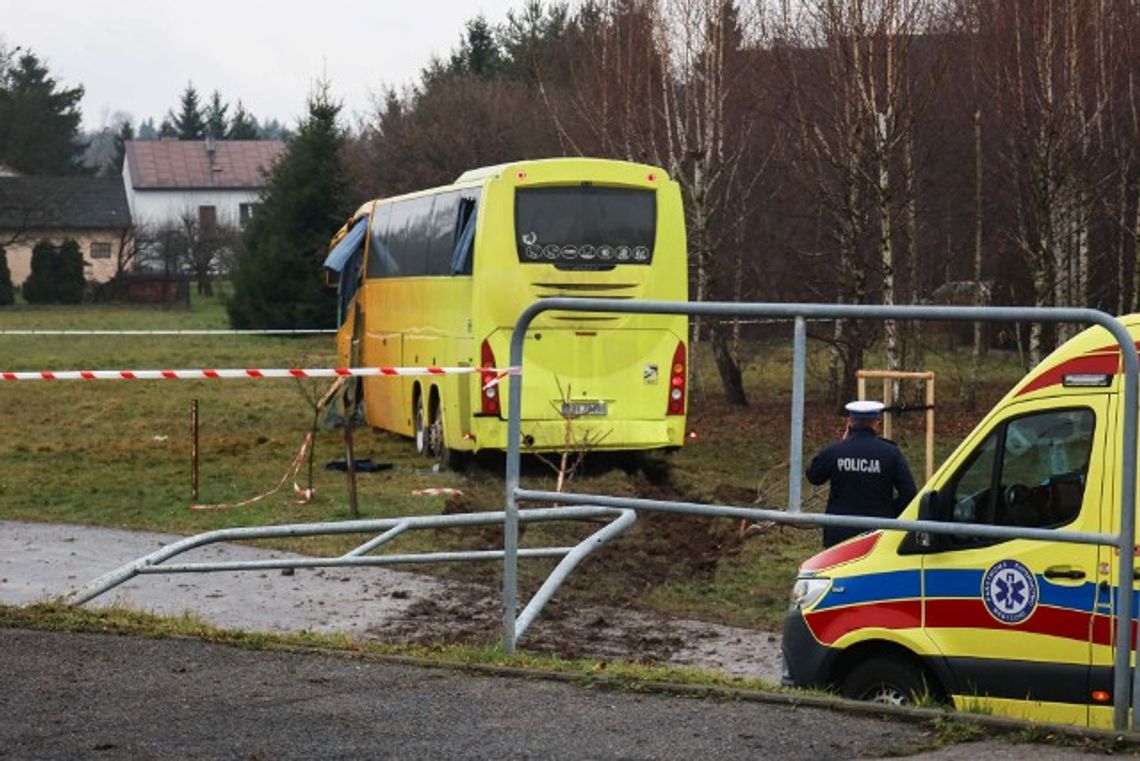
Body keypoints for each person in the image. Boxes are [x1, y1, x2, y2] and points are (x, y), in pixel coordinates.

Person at [806, 400, 918, 548]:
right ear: (876, 423)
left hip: (839, 532)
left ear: (850, 421)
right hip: (878, 532)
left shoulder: (836, 451)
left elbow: (814, 476)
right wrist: (890, 512)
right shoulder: (891, 452)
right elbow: (909, 493)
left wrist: (840, 445)